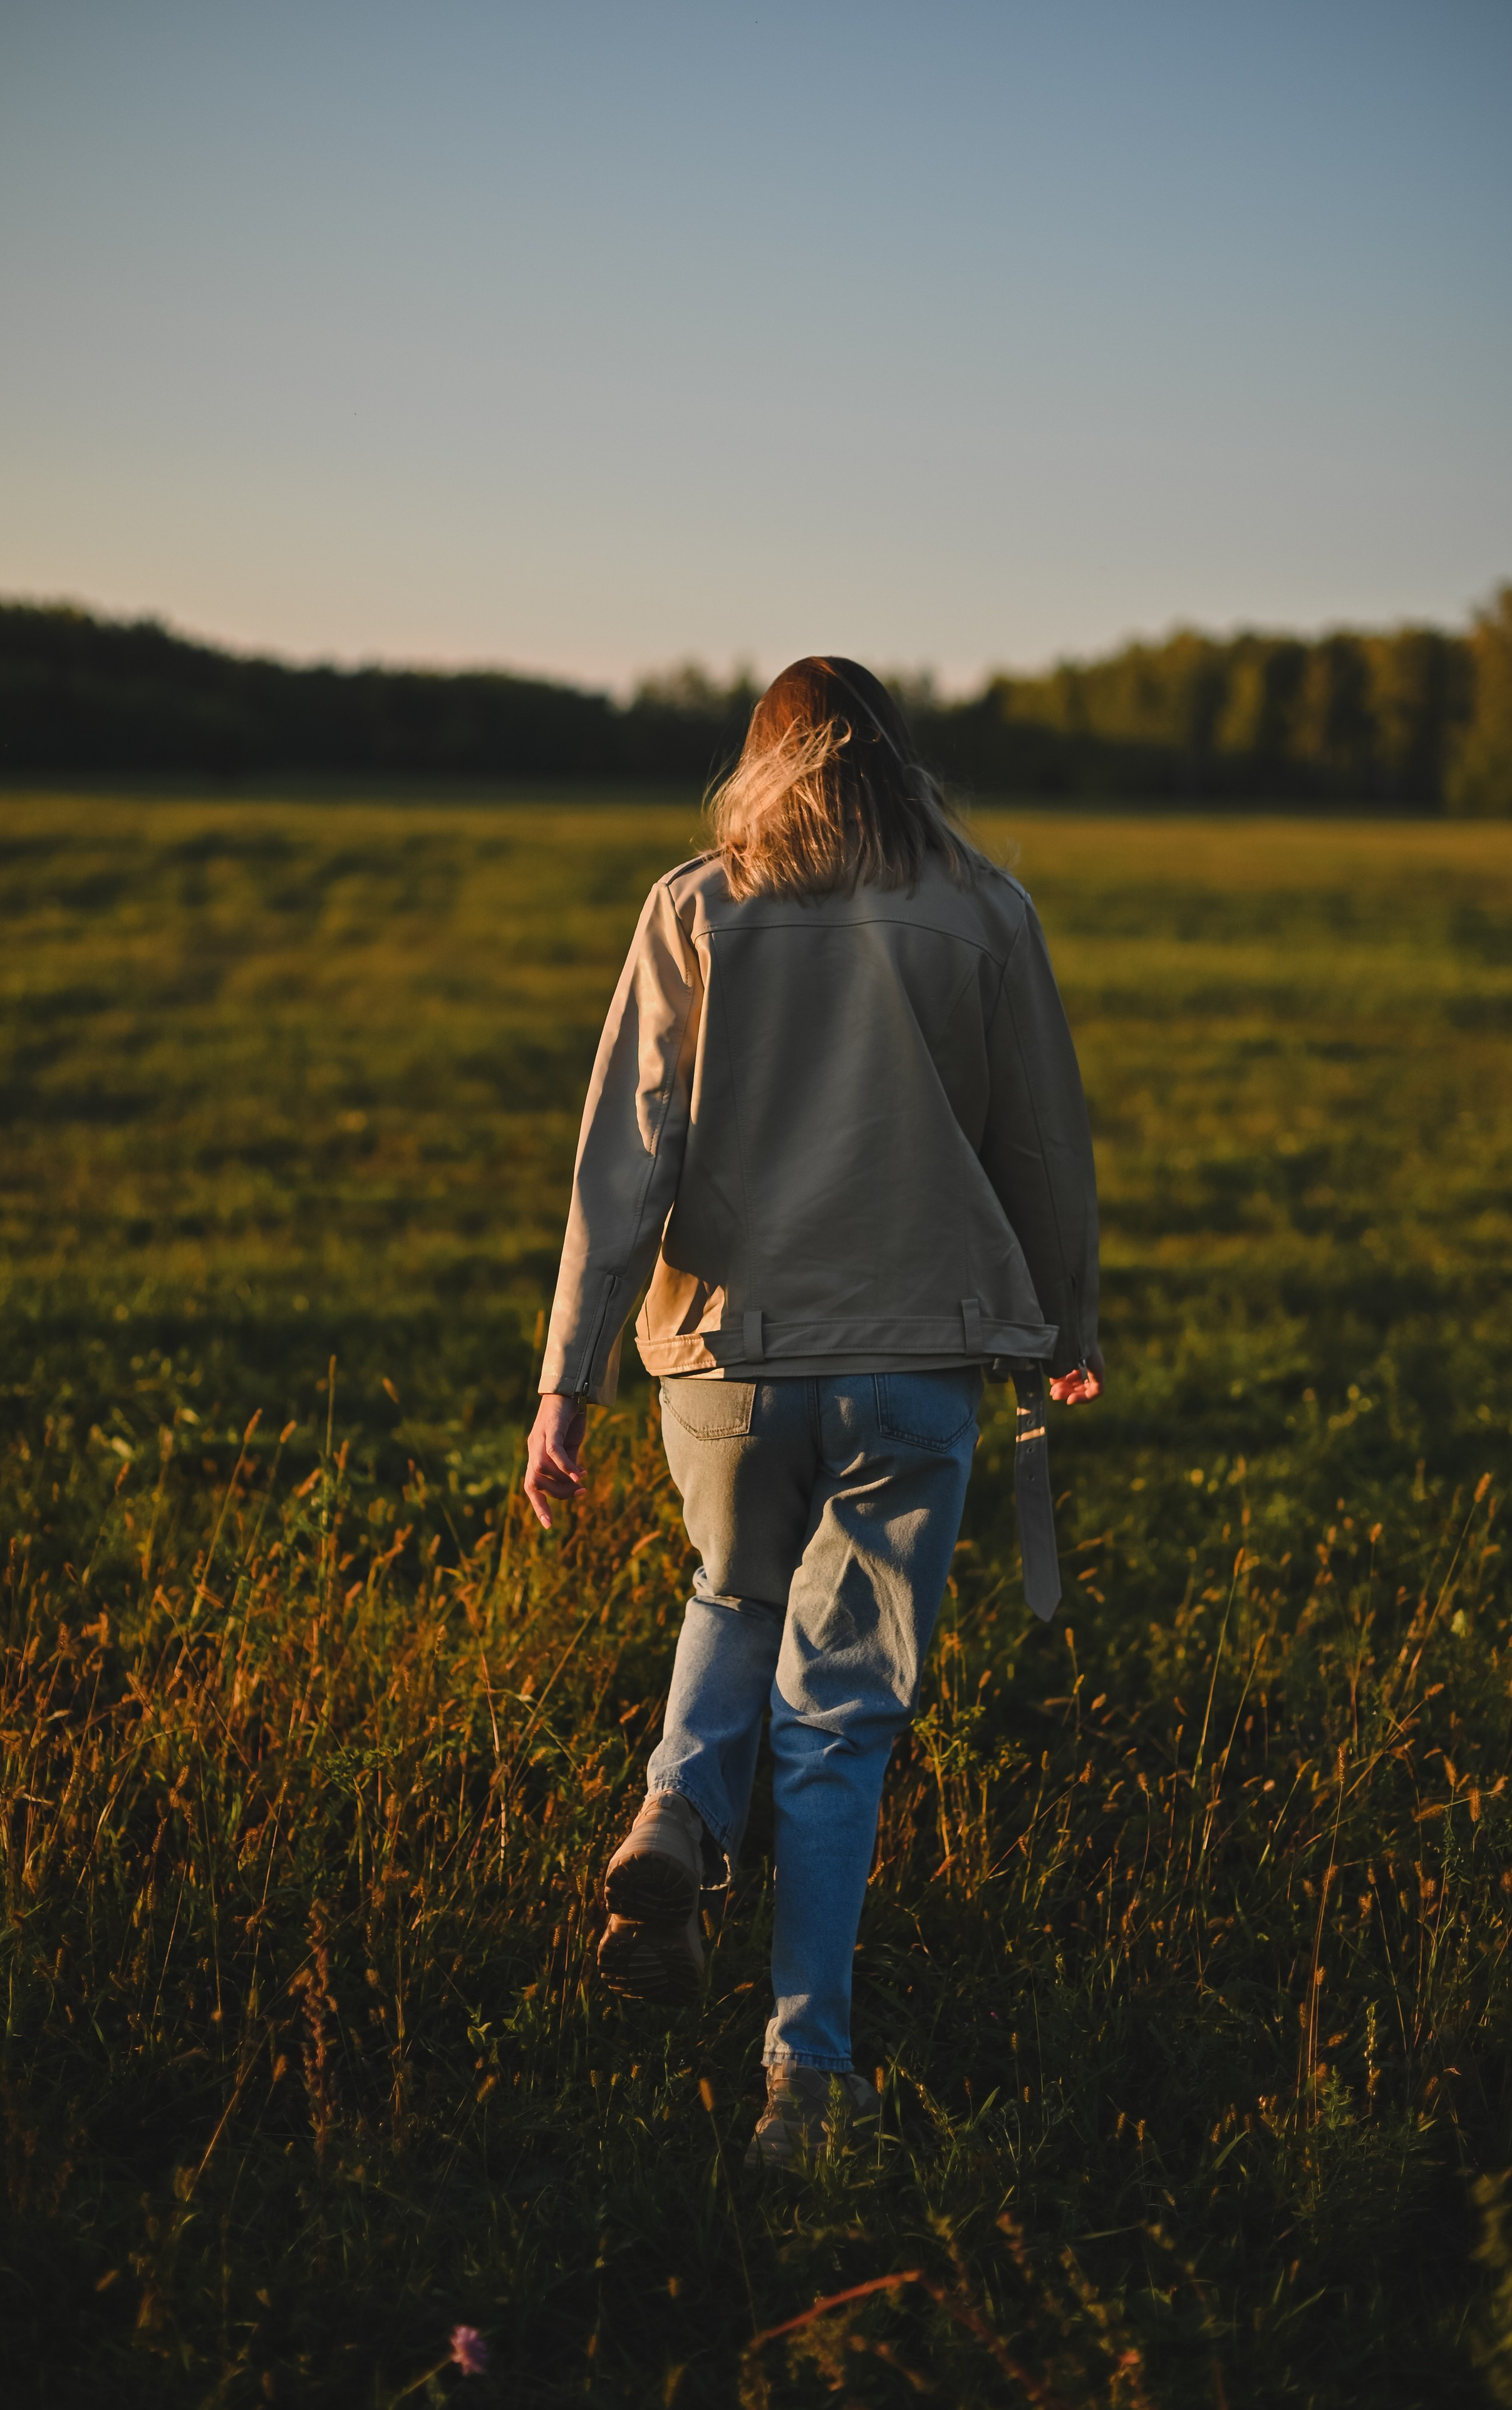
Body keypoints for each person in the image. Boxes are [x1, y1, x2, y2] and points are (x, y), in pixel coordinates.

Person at [524, 657, 1102, 2168]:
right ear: (896, 763)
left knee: (731, 1583)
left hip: (724, 1358)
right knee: (840, 1719)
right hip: (917, 1358)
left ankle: (678, 1812)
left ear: (761, 765)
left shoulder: (694, 903)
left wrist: (564, 1384)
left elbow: (621, 1154)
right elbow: (1039, 1140)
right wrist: (1063, 1322)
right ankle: (806, 2079)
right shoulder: (984, 910)